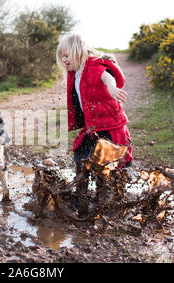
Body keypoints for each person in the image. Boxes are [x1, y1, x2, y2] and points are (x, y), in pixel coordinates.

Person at [56, 34, 133, 215]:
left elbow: (107, 78)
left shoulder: (95, 66)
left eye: (66, 55)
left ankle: (107, 203)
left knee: (108, 166)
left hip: (110, 127)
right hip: (92, 127)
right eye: (62, 57)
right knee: (81, 157)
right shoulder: (75, 74)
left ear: (78, 51)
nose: (64, 60)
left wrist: (113, 88)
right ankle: (80, 197)